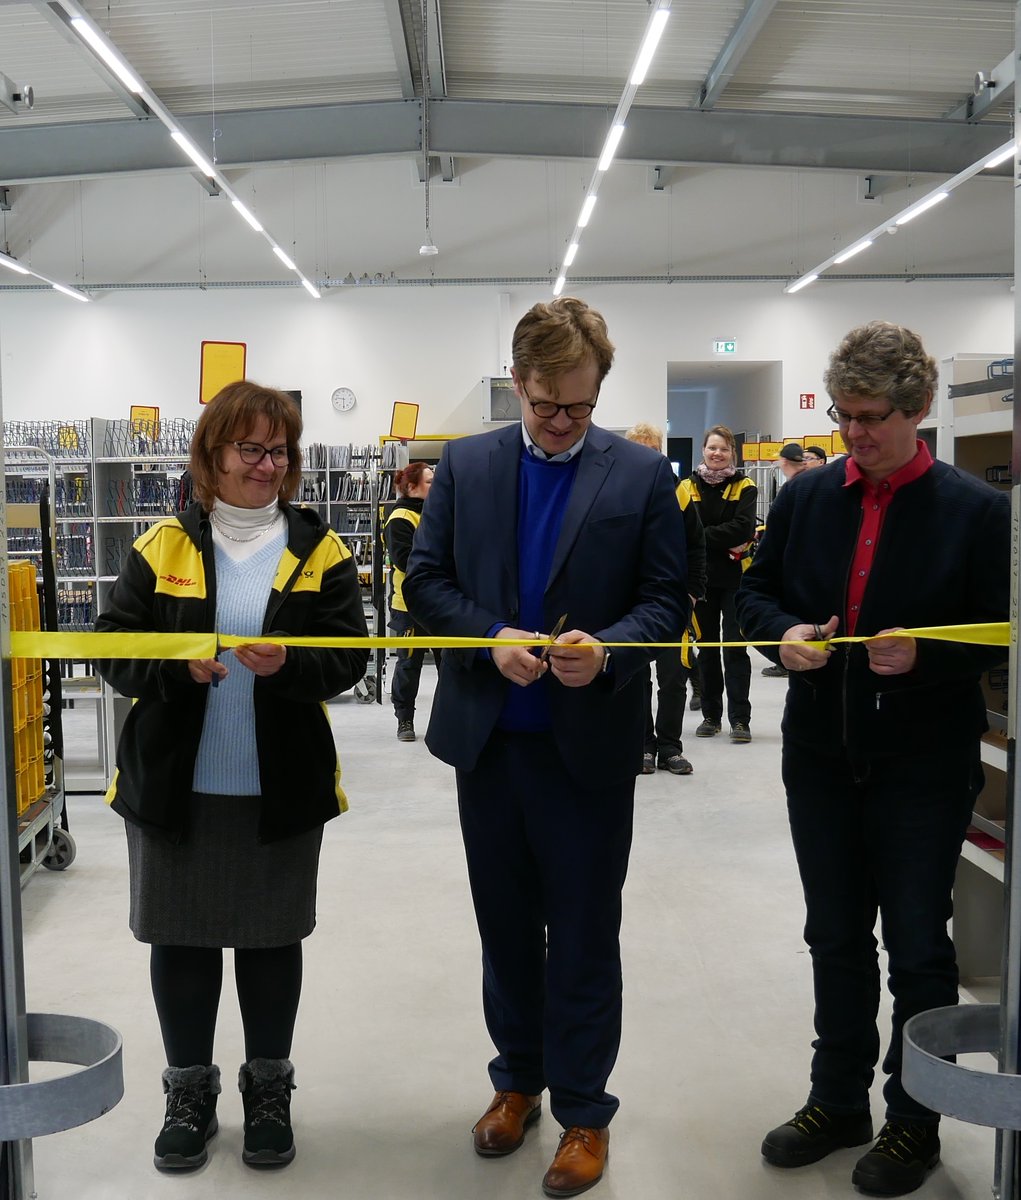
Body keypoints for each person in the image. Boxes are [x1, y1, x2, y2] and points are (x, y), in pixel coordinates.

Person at [404, 298, 688, 1198]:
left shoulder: (642, 476)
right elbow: (425, 582)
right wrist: (487, 636)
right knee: (504, 930)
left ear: (599, 388)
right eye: (544, 404)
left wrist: (607, 651)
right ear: (517, 383)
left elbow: (666, 601)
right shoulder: (467, 466)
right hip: (490, 746)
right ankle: (515, 1083)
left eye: (578, 405)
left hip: (588, 750)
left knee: (584, 933)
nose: (561, 422)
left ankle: (584, 1113)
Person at [736, 321, 1010, 1197]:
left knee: (919, 947)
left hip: (922, 764)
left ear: (918, 408)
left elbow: (997, 637)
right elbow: (751, 593)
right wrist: (780, 637)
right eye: (845, 418)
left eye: (870, 418)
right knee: (833, 935)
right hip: (820, 751)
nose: (853, 434)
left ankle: (912, 1119)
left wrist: (926, 656)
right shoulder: (807, 498)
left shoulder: (976, 511)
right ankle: (836, 1100)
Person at [95, 381, 369, 1173]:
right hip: (173, 787)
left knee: (270, 938)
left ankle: (268, 1090)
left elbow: (348, 655)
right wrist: (174, 667)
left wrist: (292, 665)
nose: (266, 463)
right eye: (249, 448)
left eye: (278, 450)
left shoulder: (320, 551)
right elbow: (112, 648)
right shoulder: (162, 546)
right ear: (211, 456)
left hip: (277, 788)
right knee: (180, 939)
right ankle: (188, 1092)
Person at [624, 421, 706, 776]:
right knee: (636, 677)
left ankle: (670, 747)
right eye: (638, 450)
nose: (645, 456)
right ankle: (642, 746)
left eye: (651, 450)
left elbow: (696, 547)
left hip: (673, 603)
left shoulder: (681, 493)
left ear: (660, 454)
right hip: (631, 606)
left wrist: (691, 593)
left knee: (673, 677)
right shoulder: (617, 491)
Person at [677, 425, 757, 743]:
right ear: (703, 451)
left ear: (731, 453)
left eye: (723, 449)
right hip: (701, 582)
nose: (717, 454)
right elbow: (684, 530)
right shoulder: (686, 485)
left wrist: (701, 537)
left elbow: (743, 528)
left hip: (737, 579)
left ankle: (740, 720)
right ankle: (711, 716)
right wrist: (718, 538)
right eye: (712, 448)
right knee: (707, 649)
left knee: (735, 650)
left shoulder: (745, 486)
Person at [383, 461, 441, 742]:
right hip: (410, 606)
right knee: (408, 664)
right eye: (429, 481)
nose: (435, 485)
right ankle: (404, 719)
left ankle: (447, 719)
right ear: (410, 487)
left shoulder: (439, 512)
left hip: (443, 603)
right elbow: (404, 560)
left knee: (450, 664)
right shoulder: (400, 519)